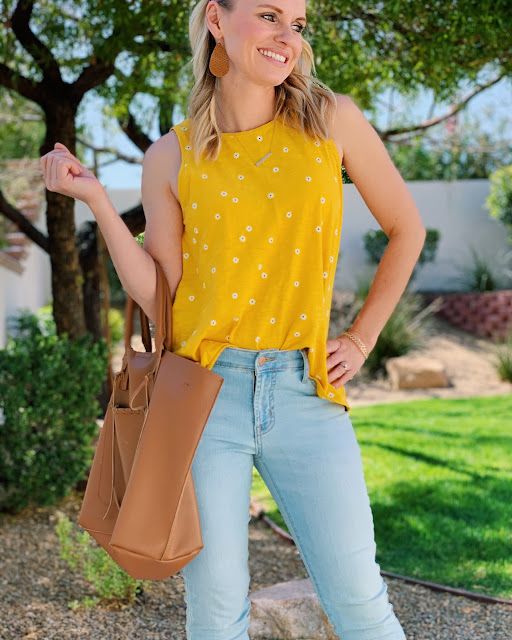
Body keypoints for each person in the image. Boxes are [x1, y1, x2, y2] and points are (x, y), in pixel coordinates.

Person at [41, 0, 426, 637]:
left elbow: (406, 228)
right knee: (217, 613)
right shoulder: (172, 154)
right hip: (203, 396)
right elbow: (161, 293)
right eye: (269, 15)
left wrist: (362, 338)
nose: (287, 37)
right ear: (216, 21)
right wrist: (98, 202)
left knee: (359, 601)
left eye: (297, 25)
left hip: (308, 389)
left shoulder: (333, 121)